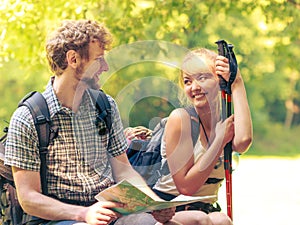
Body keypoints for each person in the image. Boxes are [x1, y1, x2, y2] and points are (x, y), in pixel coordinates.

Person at [4, 19, 175, 225]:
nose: (105, 67)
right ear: (73, 59)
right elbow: (28, 198)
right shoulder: (28, 117)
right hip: (59, 218)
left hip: (108, 212)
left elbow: (123, 170)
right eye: (99, 60)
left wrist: (153, 203)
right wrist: (83, 214)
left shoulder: (105, 106)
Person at [150, 48, 253, 225]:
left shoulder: (223, 120)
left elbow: (243, 142)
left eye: (202, 78)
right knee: (200, 220)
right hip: (167, 210)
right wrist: (219, 140)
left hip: (205, 209)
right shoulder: (181, 119)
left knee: (222, 220)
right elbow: (186, 187)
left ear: (220, 81)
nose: (194, 87)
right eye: (187, 81)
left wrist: (236, 83)